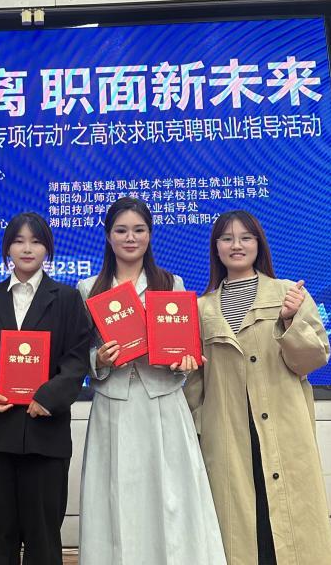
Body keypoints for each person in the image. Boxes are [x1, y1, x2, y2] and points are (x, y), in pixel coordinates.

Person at [77, 197, 226, 565]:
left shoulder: (170, 283)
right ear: (108, 236)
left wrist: (184, 362)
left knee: (171, 497)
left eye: (139, 230)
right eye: (121, 230)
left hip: (162, 402)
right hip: (114, 404)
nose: (130, 238)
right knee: (115, 497)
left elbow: (183, 350)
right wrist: (98, 360)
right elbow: (77, 354)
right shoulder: (88, 288)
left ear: (150, 234)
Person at [184, 209, 331, 565]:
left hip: (283, 430)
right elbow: (195, 386)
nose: (236, 245)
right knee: (242, 533)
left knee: (289, 528)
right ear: (216, 247)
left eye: (245, 237)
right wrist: (200, 429)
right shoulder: (200, 309)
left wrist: (290, 321)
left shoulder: (288, 294)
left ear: (258, 244)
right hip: (227, 436)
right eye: (227, 238)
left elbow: (313, 358)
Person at [0, 212, 90, 565]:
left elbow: (77, 359)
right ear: (7, 248)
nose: (27, 248)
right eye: (19, 241)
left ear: (47, 249)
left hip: (45, 435)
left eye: (36, 241)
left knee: (43, 539)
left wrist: (47, 397)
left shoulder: (66, 298)